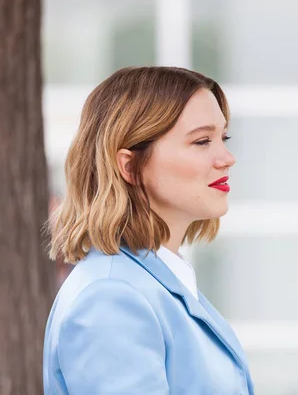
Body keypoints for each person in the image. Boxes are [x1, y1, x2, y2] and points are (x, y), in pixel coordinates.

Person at [43, 67, 254, 395]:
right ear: (129, 165)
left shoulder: (157, 282)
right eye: (201, 141)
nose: (227, 158)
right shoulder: (110, 299)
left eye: (223, 138)